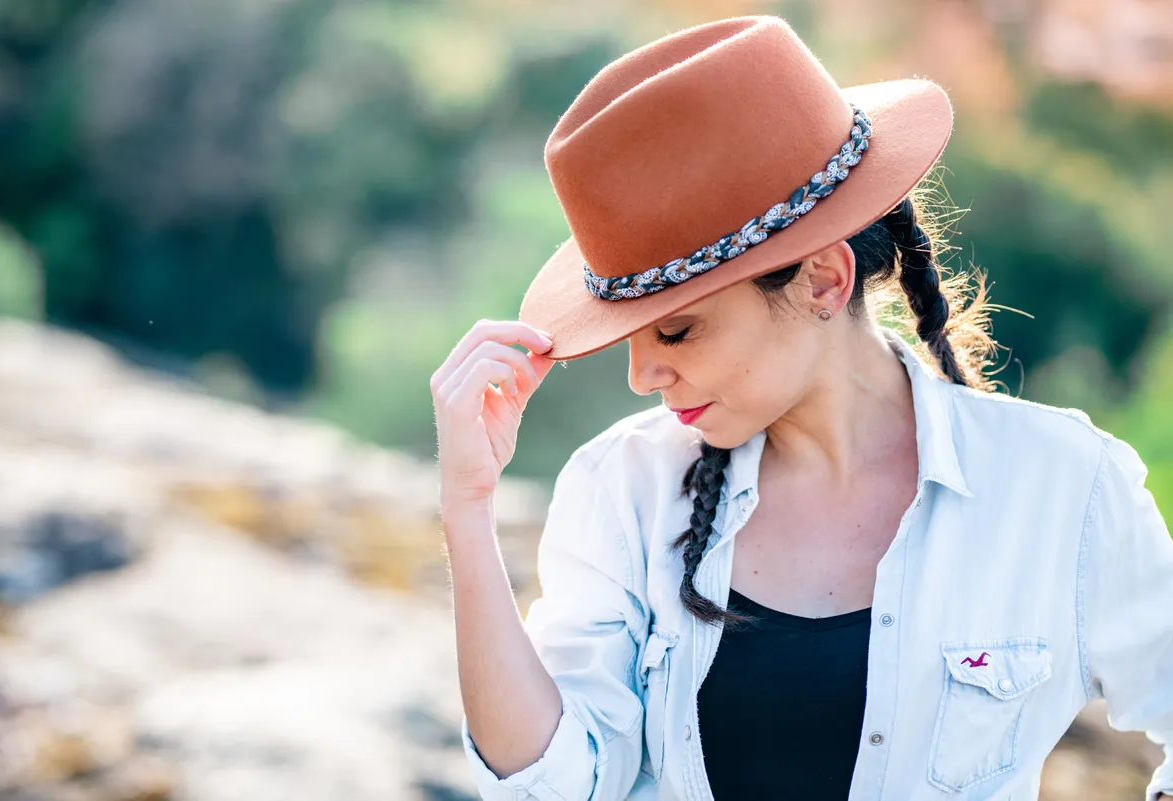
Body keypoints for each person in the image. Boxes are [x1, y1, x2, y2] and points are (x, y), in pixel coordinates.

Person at [431, 16, 1173, 801]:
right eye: (628, 340)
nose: (642, 377)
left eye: (676, 331)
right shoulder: (625, 489)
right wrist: (466, 510)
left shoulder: (1062, 485)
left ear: (824, 280)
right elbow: (552, 786)